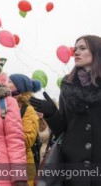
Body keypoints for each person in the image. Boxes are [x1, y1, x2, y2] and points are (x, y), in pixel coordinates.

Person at [30, 35, 101, 186]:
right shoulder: (67, 85)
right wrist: (51, 113)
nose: (76, 52)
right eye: (75, 49)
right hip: (73, 165)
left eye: (82, 48)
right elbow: (62, 128)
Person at [7, 74, 41, 185]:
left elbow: (29, 139)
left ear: (20, 87)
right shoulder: (3, 105)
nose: (6, 84)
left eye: (10, 82)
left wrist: (5, 134)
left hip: (23, 163)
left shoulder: (28, 109)